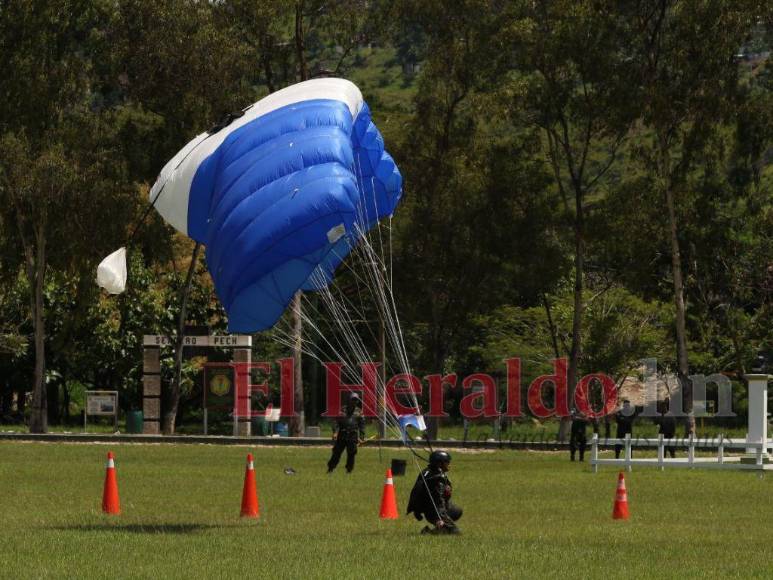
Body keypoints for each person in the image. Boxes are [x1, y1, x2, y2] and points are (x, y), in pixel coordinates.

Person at [407, 450, 462, 535]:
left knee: (456, 511)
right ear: (439, 464)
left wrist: (416, 510)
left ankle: (441, 528)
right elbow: (438, 502)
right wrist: (439, 518)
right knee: (455, 533)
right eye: (447, 462)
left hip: (430, 509)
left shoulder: (428, 472)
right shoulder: (437, 480)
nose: (449, 464)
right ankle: (428, 532)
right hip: (433, 511)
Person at [327, 393, 365, 473]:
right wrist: (335, 432)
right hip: (342, 435)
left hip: (353, 436)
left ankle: (349, 470)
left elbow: (362, 425)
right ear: (349, 400)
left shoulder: (359, 412)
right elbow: (336, 422)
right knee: (336, 453)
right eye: (353, 400)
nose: (354, 402)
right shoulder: (342, 410)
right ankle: (331, 468)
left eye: (356, 400)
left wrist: (361, 437)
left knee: (351, 454)